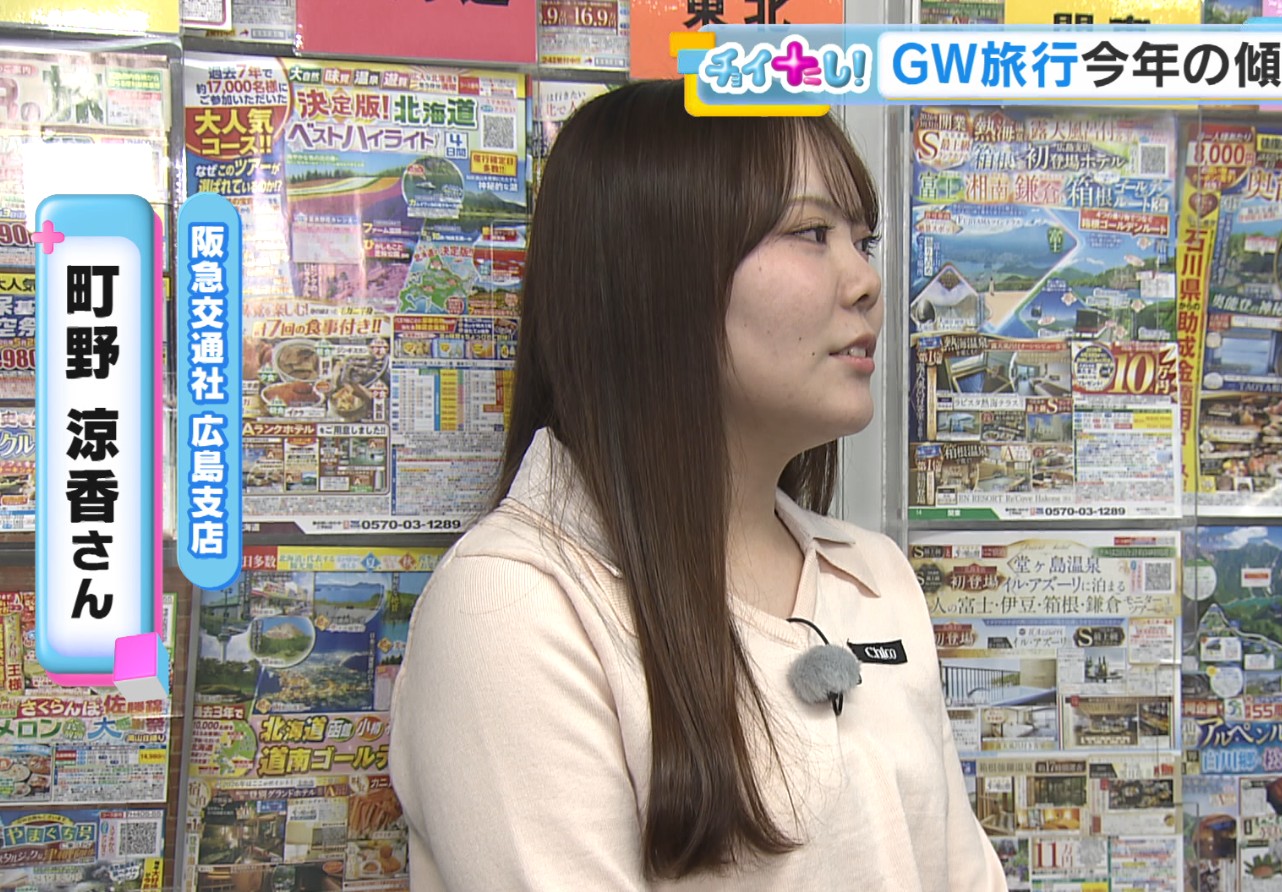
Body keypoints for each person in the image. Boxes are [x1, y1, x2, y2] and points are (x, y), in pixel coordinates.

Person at [388, 80, 1008, 891]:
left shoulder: (875, 575)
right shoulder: (515, 607)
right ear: (656, 272)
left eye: (865, 239)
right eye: (811, 233)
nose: (865, 281)